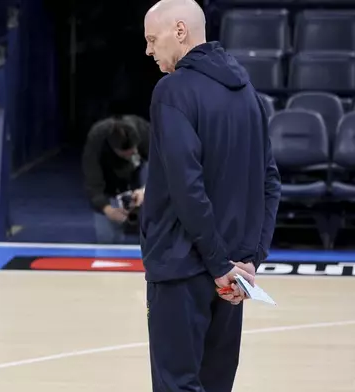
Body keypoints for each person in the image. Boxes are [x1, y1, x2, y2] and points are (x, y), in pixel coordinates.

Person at [140, 0, 281, 391]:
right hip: (232, 275)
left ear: (179, 31)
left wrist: (220, 264)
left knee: (177, 384)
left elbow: (187, 186)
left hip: (184, 269)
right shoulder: (247, 92)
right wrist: (250, 260)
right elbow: (270, 182)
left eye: (153, 40)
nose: (149, 51)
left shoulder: (172, 91)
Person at [82, 114, 150, 244]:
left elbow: (166, 169)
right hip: (110, 183)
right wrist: (107, 209)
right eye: (127, 153)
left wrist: (145, 190)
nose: (133, 152)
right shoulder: (97, 139)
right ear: (115, 149)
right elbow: (92, 182)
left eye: (134, 149)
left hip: (140, 176)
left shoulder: (144, 131)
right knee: (107, 240)